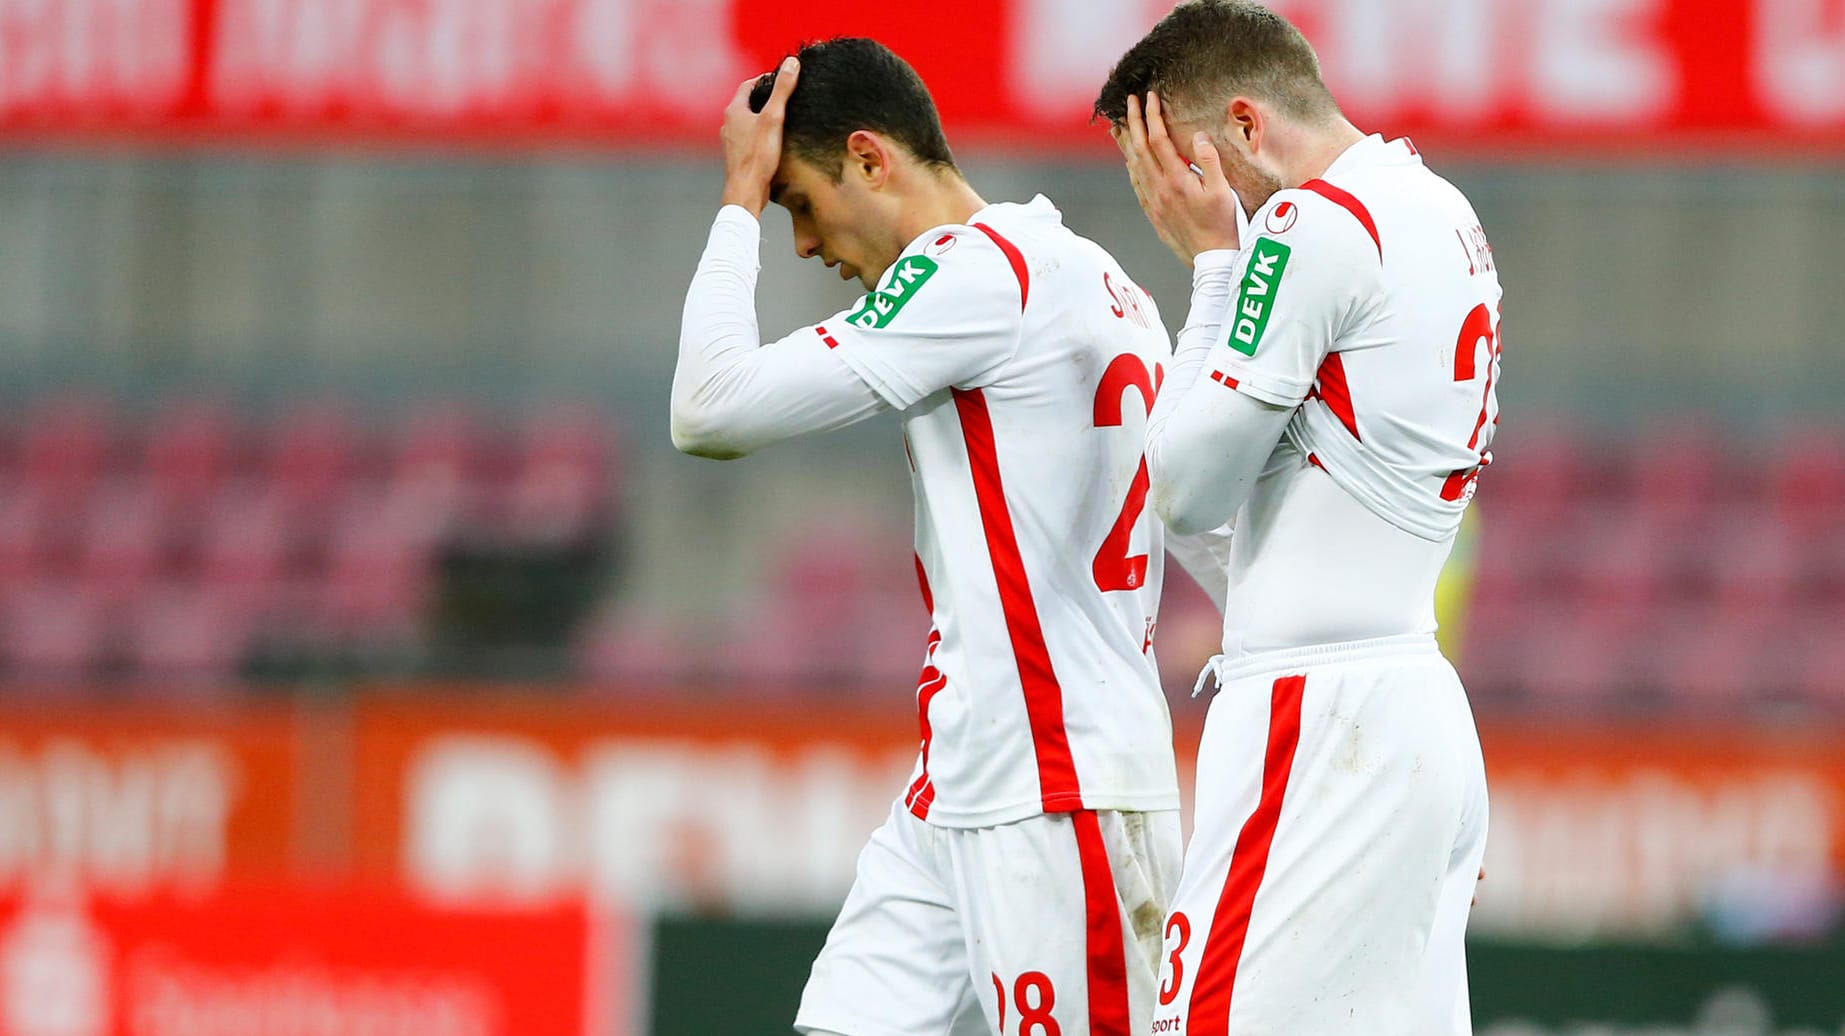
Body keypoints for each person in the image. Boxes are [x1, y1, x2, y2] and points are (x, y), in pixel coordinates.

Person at [672, 37, 1215, 1035]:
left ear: (873, 160)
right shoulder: (1090, 273)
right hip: (966, 778)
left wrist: (735, 202)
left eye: (799, 200)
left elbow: (707, 410)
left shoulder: (971, 277)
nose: (801, 241)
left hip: (1061, 794)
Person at [1091, 2, 1501, 1034]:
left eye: (1180, 168)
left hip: (1319, 722)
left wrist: (1211, 270)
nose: (1176, 199)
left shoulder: (1309, 224)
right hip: (1415, 705)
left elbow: (1180, 487)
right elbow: (1249, 514)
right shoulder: (1439, 207)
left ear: (1242, 126)